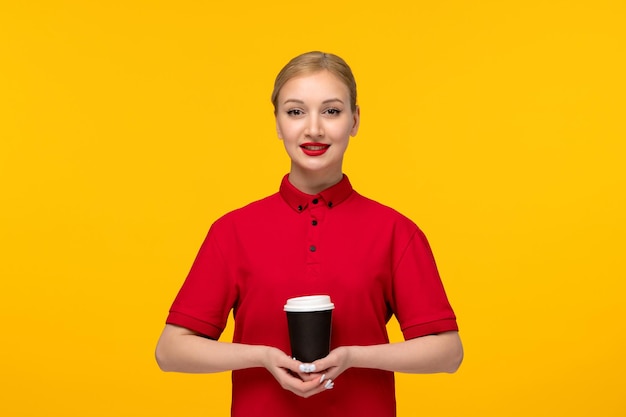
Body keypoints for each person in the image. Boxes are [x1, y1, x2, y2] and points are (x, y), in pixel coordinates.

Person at [155, 51, 463, 417]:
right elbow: (170, 350)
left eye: (331, 111)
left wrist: (353, 357)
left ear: (355, 120)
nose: (313, 129)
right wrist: (262, 357)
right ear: (277, 123)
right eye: (295, 111)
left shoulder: (396, 231)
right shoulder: (232, 231)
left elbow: (448, 352)